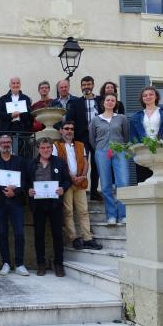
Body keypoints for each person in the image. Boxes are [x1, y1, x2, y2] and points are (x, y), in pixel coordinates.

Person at [53, 121, 102, 250]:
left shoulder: (81, 145)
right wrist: (71, 177)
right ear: (61, 131)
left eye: (72, 129)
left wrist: (83, 176)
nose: (69, 131)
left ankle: (87, 238)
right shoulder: (55, 146)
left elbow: (86, 162)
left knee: (84, 211)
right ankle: (73, 238)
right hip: (66, 183)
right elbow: (57, 164)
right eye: (66, 128)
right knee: (68, 211)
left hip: (80, 182)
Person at [0, 135, 29, 276]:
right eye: (3, 142)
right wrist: (4, 189)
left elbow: (25, 181)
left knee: (19, 233)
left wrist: (14, 192)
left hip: (16, 202)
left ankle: (20, 263)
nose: (6, 144)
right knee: (2, 233)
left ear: (11, 145)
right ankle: (6, 263)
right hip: (0, 202)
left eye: (8, 142)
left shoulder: (20, 161)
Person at [26, 137, 71, 277]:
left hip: (55, 204)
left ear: (52, 149)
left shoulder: (60, 162)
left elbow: (67, 180)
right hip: (38, 204)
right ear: (38, 149)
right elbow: (25, 182)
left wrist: (63, 188)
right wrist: (28, 190)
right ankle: (41, 264)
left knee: (57, 235)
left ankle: (59, 264)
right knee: (39, 235)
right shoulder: (31, 164)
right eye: (43, 148)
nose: (46, 150)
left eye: (48, 148)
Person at [89, 93, 129, 225]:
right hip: (101, 152)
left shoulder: (121, 118)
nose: (110, 102)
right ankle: (111, 215)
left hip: (119, 151)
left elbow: (126, 136)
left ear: (116, 103)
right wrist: (100, 149)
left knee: (123, 182)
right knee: (105, 184)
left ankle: (123, 214)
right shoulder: (95, 120)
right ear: (103, 103)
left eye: (113, 100)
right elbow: (92, 139)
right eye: (108, 100)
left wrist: (120, 147)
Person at [67, 76, 102, 201]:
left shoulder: (100, 100)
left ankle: (94, 191)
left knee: (96, 164)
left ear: (93, 85)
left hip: (99, 136)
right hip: (82, 136)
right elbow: (70, 119)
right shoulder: (76, 102)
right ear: (81, 86)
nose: (86, 87)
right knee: (82, 164)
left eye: (88, 84)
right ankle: (81, 189)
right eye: (84, 85)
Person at [129, 86, 163, 183]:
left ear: (156, 96)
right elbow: (133, 137)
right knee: (143, 182)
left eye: (151, 94)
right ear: (142, 99)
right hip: (143, 151)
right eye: (145, 95)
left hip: (161, 149)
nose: (148, 97)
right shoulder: (135, 117)